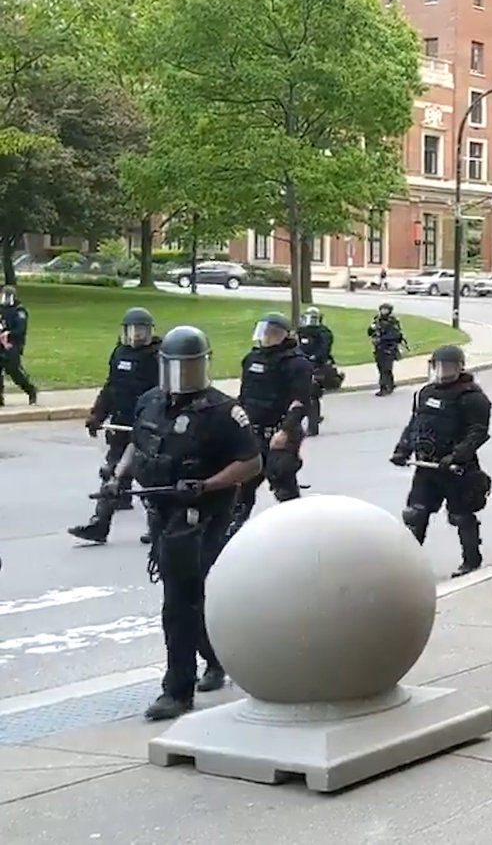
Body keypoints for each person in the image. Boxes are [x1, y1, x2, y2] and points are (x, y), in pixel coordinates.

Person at [99, 326, 262, 719]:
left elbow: (251, 463)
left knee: (179, 602)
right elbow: (139, 446)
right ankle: (217, 658)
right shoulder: (149, 402)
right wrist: (117, 479)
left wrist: (207, 485)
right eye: (174, 366)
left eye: (188, 366)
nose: (181, 375)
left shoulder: (224, 411)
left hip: (202, 514)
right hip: (161, 511)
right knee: (190, 597)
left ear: (203, 365)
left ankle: (177, 690)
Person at [390, 345, 492, 578]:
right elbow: (415, 425)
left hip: (457, 469)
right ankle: (408, 564)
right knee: (415, 514)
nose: (443, 371)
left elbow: (478, 432)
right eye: (438, 366)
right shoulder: (426, 393)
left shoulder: (472, 397)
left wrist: (457, 455)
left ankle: (471, 560)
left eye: (448, 367)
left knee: (461, 516)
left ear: (460, 367)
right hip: (426, 467)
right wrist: (402, 449)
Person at [70, 308, 163, 545]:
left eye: (141, 330)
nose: (136, 335)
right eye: (132, 330)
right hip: (121, 425)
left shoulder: (157, 357)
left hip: (147, 427)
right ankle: (99, 524)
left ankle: (158, 527)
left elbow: (163, 395)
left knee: (150, 478)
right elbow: (111, 388)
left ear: (150, 332)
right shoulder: (119, 353)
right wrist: (97, 415)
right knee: (111, 474)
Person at [226, 313, 314, 539]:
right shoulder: (252, 360)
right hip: (253, 431)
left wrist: (285, 430)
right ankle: (233, 526)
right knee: (244, 482)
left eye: (272, 333)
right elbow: (245, 395)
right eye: (264, 332)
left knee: (281, 478)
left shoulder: (296, 363)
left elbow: (300, 401)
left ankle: (298, 528)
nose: (266, 337)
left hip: (281, 431)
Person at [295, 307, 338, 436]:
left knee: (312, 395)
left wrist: (315, 358)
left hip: (318, 366)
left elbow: (324, 350)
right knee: (298, 395)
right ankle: (301, 422)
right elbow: (297, 346)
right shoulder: (301, 331)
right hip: (303, 365)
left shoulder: (324, 333)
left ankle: (313, 425)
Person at [0, 284, 38, 406]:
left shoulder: (19, 311)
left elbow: (21, 329)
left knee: (14, 371)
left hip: (13, 344)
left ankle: (30, 390)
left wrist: (8, 334)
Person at [367, 303, 407, 395]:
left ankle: (384, 387)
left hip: (389, 348)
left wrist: (383, 338)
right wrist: (372, 328)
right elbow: (369, 332)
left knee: (386, 368)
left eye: (386, 310)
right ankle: (390, 384)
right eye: (382, 309)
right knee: (381, 367)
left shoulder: (393, 321)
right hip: (378, 348)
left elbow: (396, 335)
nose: (383, 311)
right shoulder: (377, 319)